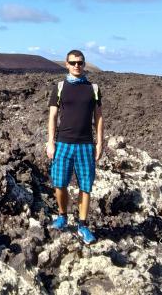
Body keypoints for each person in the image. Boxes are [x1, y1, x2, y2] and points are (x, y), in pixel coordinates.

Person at [46, 49, 104, 244]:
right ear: (66, 63)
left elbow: (99, 117)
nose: (77, 66)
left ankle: (83, 225)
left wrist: (100, 143)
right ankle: (62, 215)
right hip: (63, 143)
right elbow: (53, 116)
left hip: (86, 145)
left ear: (84, 63)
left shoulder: (93, 88)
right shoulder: (60, 87)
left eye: (80, 62)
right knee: (59, 183)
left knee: (85, 187)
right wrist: (50, 142)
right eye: (73, 62)